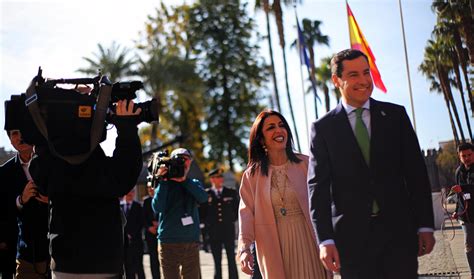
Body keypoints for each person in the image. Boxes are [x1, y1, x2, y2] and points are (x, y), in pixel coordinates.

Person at [308, 49, 435, 279]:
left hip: (399, 236)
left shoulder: (396, 116)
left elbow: (416, 174)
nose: (364, 80)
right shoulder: (323, 129)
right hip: (351, 243)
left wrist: (425, 224)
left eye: (366, 72)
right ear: (337, 80)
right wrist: (325, 240)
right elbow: (317, 189)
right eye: (354, 74)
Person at [34, 100, 143, 278]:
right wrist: (126, 127)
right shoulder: (103, 169)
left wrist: (47, 124)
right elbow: (127, 172)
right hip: (105, 262)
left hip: (65, 264)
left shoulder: (53, 165)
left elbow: (39, 172)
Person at [238, 110, 328, 279]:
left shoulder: (307, 164)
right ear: (261, 139)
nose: (278, 130)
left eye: (281, 126)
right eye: (271, 127)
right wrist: (244, 249)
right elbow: (246, 215)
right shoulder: (251, 176)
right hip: (273, 246)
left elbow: (325, 202)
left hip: (309, 241)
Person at [152, 148, 208, 279]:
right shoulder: (164, 184)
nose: (183, 162)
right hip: (168, 242)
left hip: (190, 241)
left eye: (186, 159)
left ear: (190, 162)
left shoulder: (193, 183)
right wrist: (164, 181)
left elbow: (203, 198)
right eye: (179, 159)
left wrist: (184, 180)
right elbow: (157, 207)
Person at [1, 129, 49, 278]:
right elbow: (3, 212)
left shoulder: (52, 162)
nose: (20, 138)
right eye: (14, 134)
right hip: (26, 255)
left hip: (59, 251)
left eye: (23, 131)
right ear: (9, 139)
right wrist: (21, 200)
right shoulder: (4, 172)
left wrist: (52, 200)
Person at [202, 168, 239, 279]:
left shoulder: (231, 192)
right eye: (217, 177)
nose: (220, 179)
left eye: (220, 177)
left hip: (228, 230)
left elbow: (237, 209)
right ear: (212, 179)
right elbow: (202, 213)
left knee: (231, 258)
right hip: (214, 232)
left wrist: (232, 219)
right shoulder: (206, 194)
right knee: (217, 260)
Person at [450, 142, 474, 277]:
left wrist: (464, 189)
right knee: (469, 246)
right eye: (463, 156)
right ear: (459, 157)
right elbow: (459, 195)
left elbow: (464, 190)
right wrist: (457, 211)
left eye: (469, 155)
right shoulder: (458, 172)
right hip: (465, 217)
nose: (467, 158)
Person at [122, 188, 145, 279]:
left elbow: (141, 223)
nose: (129, 194)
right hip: (124, 243)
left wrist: (131, 234)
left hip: (136, 242)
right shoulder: (119, 206)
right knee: (127, 266)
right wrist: (125, 235)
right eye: (128, 192)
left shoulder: (138, 206)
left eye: (131, 192)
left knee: (139, 266)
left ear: (134, 193)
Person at [143, 185, 160, 279]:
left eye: (152, 188)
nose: (150, 190)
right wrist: (149, 227)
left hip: (162, 234)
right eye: (148, 188)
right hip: (150, 234)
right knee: (153, 259)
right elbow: (143, 218)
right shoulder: (146, 201)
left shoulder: (161, 199)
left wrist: (159, 224)